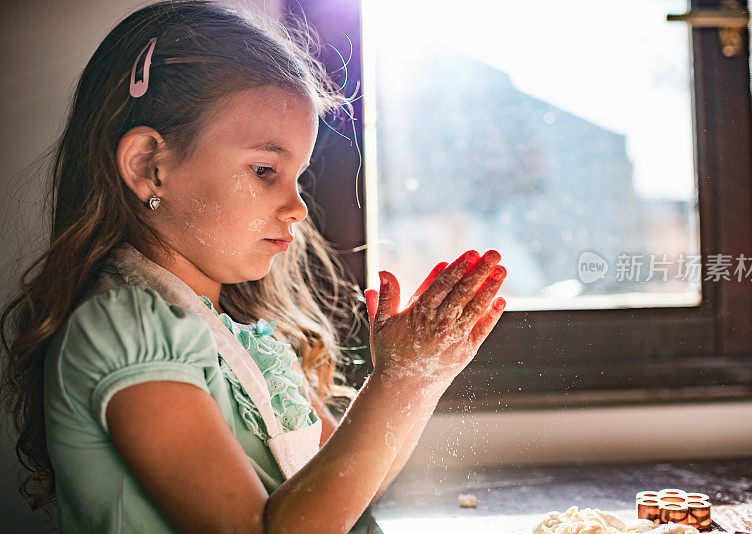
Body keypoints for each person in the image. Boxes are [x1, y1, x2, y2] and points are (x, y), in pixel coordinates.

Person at [0, 1, 507, 532]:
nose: (299, 207)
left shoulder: (240, 338)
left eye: (299, 177)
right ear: (150, 167)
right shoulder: (125, 330)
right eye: (265, 170)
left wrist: (421, 373)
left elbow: (349, 489)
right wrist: (398, 383)